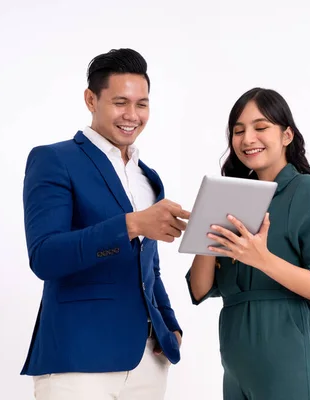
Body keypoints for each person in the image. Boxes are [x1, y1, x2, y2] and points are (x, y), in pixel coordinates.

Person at [20, 48, 190, 400]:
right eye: (120, 102)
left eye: (142, 104)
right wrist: (130, 224)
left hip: (147, 362)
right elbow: (45, 255)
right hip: (78, 359)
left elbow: (149, 267)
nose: (132, 115)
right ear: (91, 99)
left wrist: (169, 323)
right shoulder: (54, 159)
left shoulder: (148, 177)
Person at [186, 88, 310, 399]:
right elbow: (200, 289)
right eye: (238, 131)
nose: (247, 139)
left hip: (289, 356)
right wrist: (206, 223)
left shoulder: (307, 190)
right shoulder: (232, 196)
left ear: (286, 135)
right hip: (235, 363)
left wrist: (262, 259)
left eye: (260, 128)